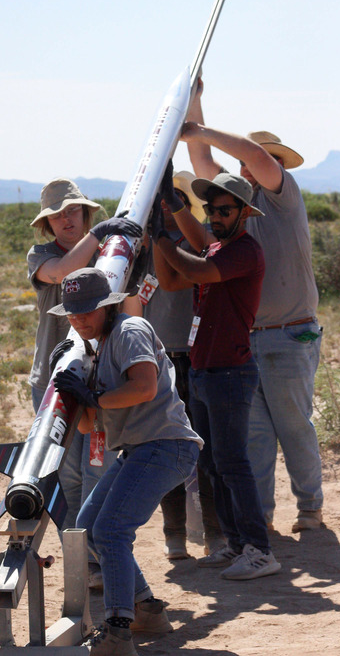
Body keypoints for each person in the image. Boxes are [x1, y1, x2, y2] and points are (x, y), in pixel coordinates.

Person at [183, 85, 323, 533]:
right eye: (247, 162)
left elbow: (246, 153)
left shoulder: (282, 196)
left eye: (263, 159)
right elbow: (205, 163)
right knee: (257, 436)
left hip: (288, 332)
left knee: (293, 427)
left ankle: (309, 510)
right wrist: (195, 103)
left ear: (276, 165)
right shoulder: (240, 211)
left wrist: (198, 129)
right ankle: (259, 518)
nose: (252, 165)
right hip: (251, 337)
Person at [51, 267, 202, 656]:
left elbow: (145, 386)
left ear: (107, 306)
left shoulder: (128, 331)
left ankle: (118, 632)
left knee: (112, 532)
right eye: (72, 314)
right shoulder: (98, 349)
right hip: (139, 449)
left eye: (86, 311)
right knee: (88, 526)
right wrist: (72, 387)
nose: (79, 320)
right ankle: (147, 610)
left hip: (165, 444)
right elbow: (87, 426)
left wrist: (91, 395)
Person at [151, 168, 281, 580]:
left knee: (232, 463)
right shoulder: (218, 250)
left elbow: (195, 270)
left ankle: (259, 550)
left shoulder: (244, 251)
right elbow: (171, 279)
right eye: (210, 209)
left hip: (228, 371)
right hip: (207, 371)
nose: (215, 216)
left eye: (224, 210)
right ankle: (234, 544)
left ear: (245, 213)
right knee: (211, 463)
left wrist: (160, 234)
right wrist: (168, 217)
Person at [27, 178, 141, 587]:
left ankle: (100, 559)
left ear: (85, 212)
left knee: (100, 469)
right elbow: (62, 270)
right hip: (55, 383)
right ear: (47, 224)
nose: (64, 220)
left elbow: (132, 308)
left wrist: (129, 252)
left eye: (72, 211)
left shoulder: (107, 254)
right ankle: (84, 564)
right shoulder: (41, 256)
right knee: (68, 477)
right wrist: (101, 235)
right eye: (56, 216)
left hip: (101, 381)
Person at [140, 171, 219, 560]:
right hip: (156, 357)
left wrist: (159, 238)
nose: (168, 208)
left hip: (196, 354)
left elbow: (173, 282)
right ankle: (175, 535)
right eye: (162, 201)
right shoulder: (138, 243)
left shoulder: (203, 241)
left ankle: (213, 534)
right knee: (165, 448)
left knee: (206, 448)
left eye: (174, 201)